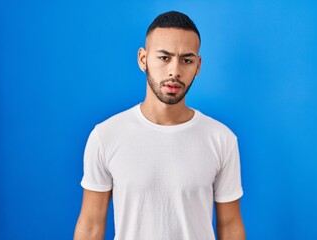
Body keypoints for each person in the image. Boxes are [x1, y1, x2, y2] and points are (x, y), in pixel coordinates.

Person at [74, 11, 245, 240]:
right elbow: (91, 225)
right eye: (164, 57)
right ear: (143, 59)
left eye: (186, 60)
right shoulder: (106, 136)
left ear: (198, 66)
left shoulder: (221, 139)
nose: (175, 71)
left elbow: (231, 226)